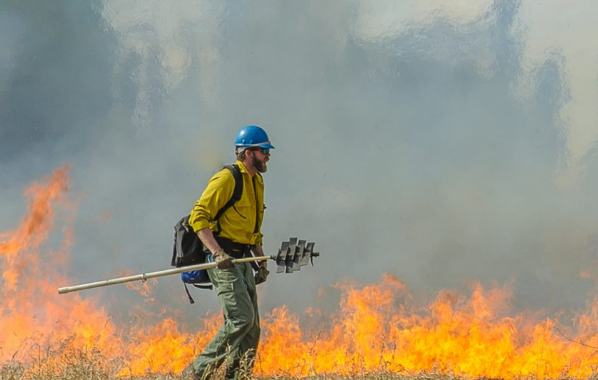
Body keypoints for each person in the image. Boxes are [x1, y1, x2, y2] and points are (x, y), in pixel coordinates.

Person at [183, 125, 274, 380]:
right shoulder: (227, 178)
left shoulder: (257, 181)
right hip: (223, 261)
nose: (268, 155)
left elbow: (253, 228)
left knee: (252, 328)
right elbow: (198, 217)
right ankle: (194, 374)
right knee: (240, 319)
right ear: (248, 153)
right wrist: (218, 253)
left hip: (243, 260)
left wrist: (261, 261)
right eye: (264, 150)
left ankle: (236, 377)